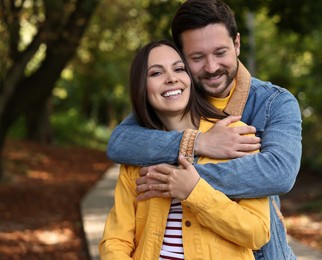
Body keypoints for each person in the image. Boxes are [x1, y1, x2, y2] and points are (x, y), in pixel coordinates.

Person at [107, 0, 302, 259]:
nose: (211, 68)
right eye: (197, 57)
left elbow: (278, 173)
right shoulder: (173, 95)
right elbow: (121, 142)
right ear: (182, 57)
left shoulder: (273, 102)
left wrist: (188, 182)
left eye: (220, 52)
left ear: (237, 44)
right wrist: (198, 143)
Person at [99, 40, 270, 259]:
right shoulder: (138, 153)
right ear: (142, 87)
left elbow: (257, 233)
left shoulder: (234, 137)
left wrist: (194, 192)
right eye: (156, 73)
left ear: (190, 79)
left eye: (179, 69)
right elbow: (115, 240)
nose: (171, 78)